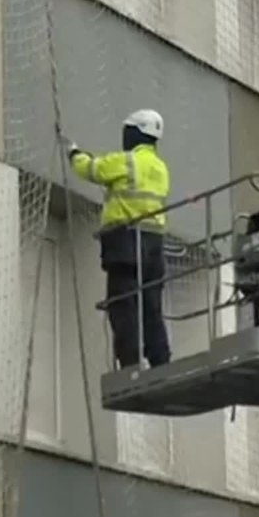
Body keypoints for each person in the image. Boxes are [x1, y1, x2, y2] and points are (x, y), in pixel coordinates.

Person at [66, 108, 172, 369]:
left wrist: (74, 153)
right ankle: (160, 360)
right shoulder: (160, 168)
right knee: (151, 306)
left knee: (123, 303)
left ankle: (130, 362)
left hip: (126, 242)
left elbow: (92, 169)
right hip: (154, 244)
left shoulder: (127, 161)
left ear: (135, 133)